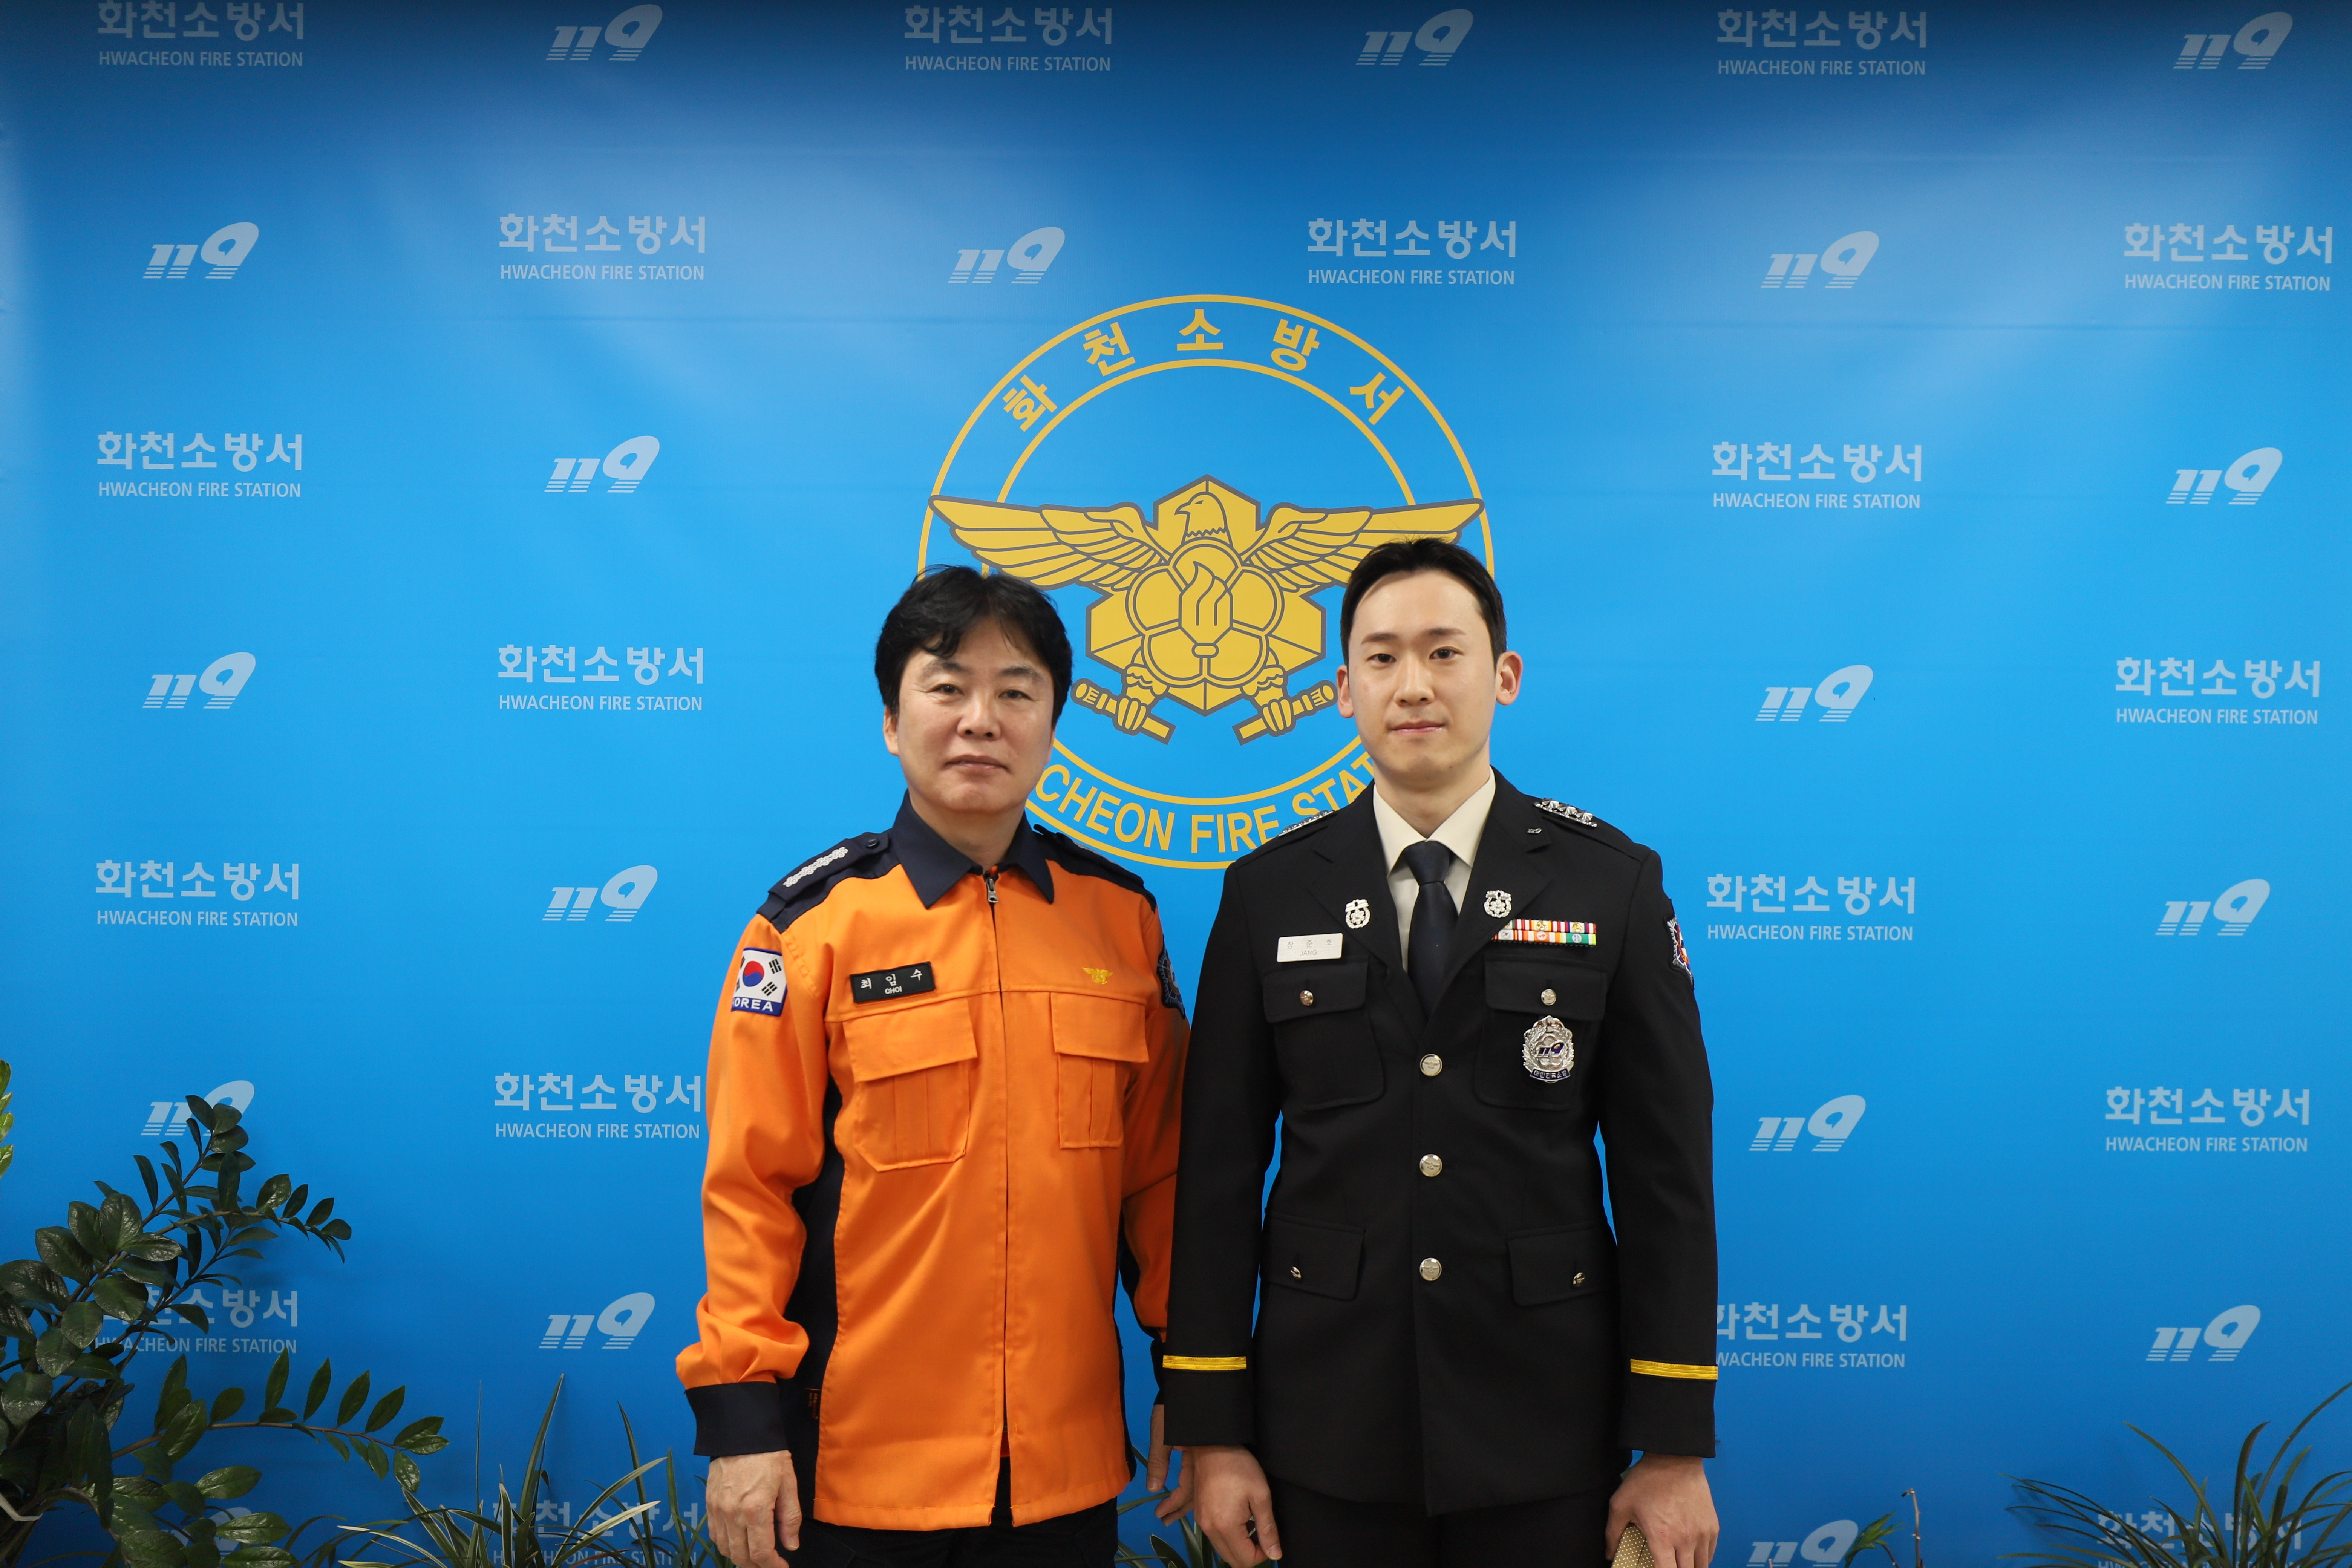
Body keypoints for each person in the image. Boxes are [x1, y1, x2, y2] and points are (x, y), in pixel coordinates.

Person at [1162, 539, 1720, 1568]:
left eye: (1443, 652)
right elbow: (1217, 1176)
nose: (1412, 685)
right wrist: (1213, 1428)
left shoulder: (1610, 884)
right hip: (1327, 1425)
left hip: (1546, 1421)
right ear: (1343, 691)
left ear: (1503, 675)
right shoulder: (1269, 891)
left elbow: (1666, 1178)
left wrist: (1674, 1443)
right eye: (1380, 658)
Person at [678, 567, 1191, 1568]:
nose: (980, 720)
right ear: (891, 721)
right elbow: (750, 1189)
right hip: (858, 1476)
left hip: (1064, 1475)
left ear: (1053, 724)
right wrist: (743, 1424)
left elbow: (1163, 1181)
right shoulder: (810, 926)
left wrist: (1192, 1376)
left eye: (1016, 691)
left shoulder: (1120, 918)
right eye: (947, 688)